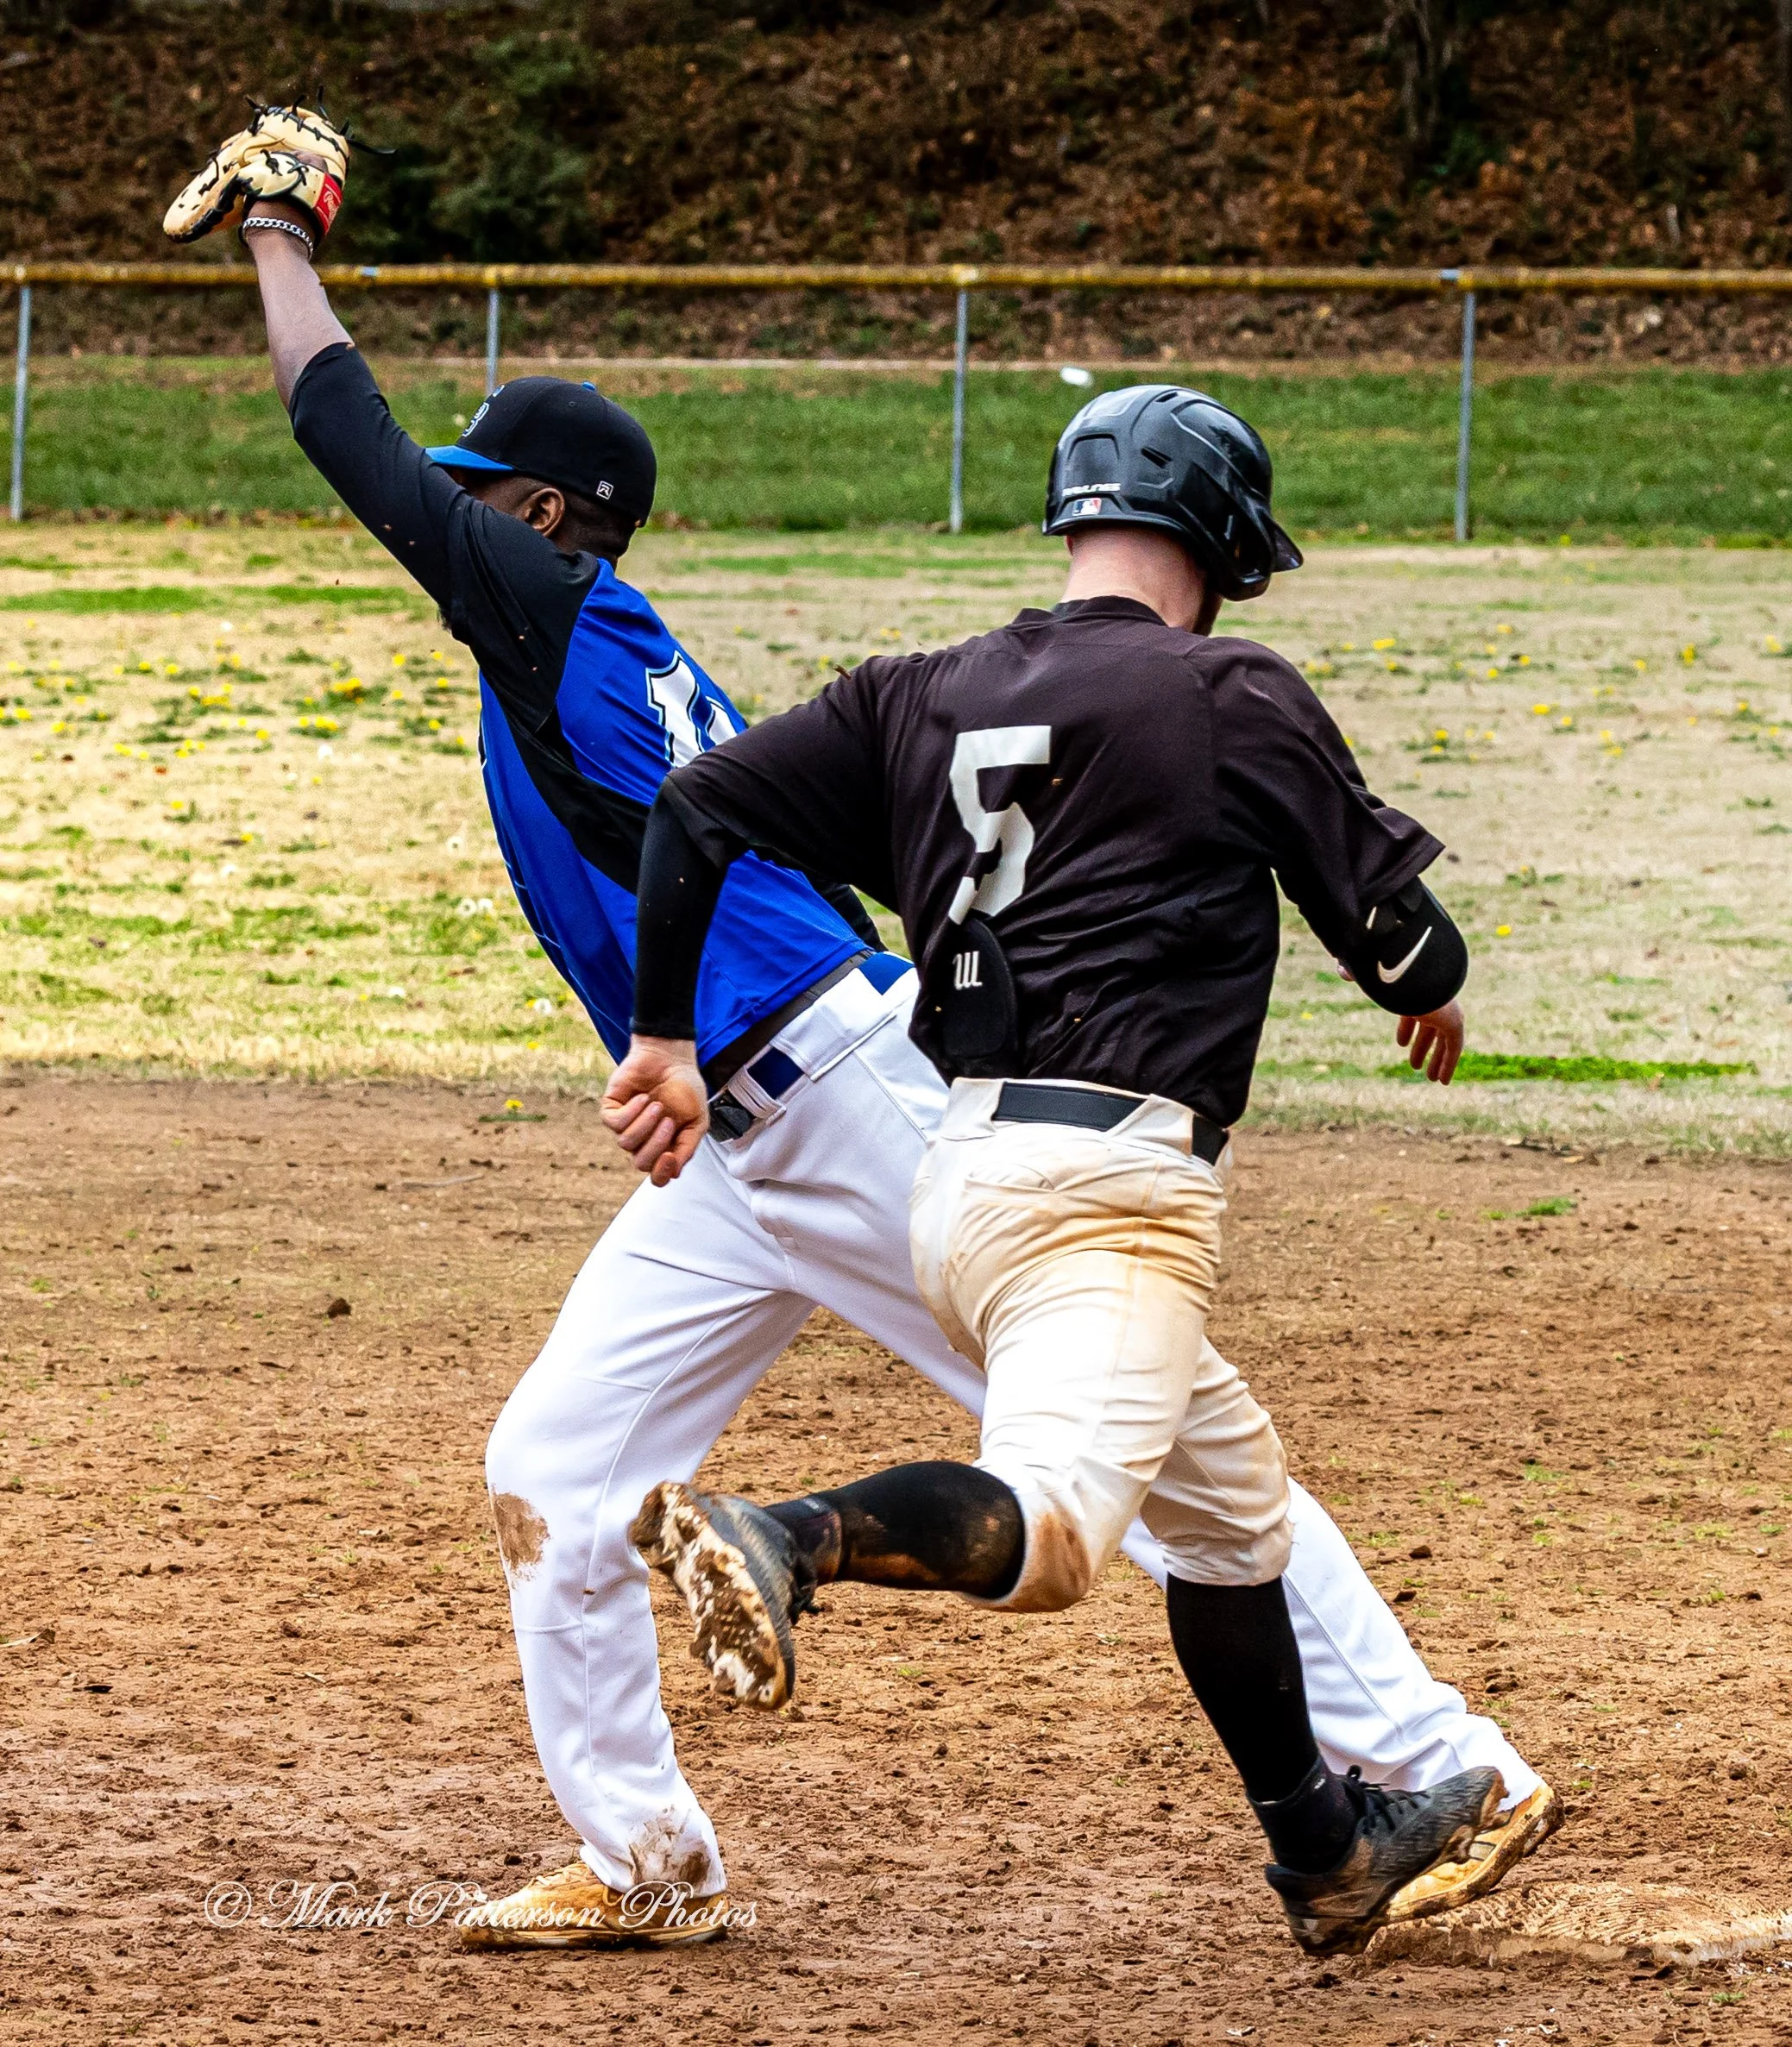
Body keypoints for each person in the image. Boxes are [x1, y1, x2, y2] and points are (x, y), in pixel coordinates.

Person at [168, 111, 1556, 1956]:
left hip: (833, 1083)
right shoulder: (582, 642)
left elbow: (338, 428)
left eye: (484, 493)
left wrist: (282, 234)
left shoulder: (552, 603)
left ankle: (1439, 1755)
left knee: (1125, 1460)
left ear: (553, 521)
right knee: (559, 1468)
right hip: (746, 1123)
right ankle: (648, 1856)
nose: (456, 516)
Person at [603, 383, 1552, 1955]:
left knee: (1233, 1516)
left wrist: (658, 1040)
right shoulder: (1227, 691)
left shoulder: (913, 692)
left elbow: (696, 806)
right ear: (1228, 542)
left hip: (961, 1173)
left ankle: (1326, 1852)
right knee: (1051, 1535)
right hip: (1111, 1193)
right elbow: (1403, 945)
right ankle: (793, 1535)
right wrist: (1431, 981)